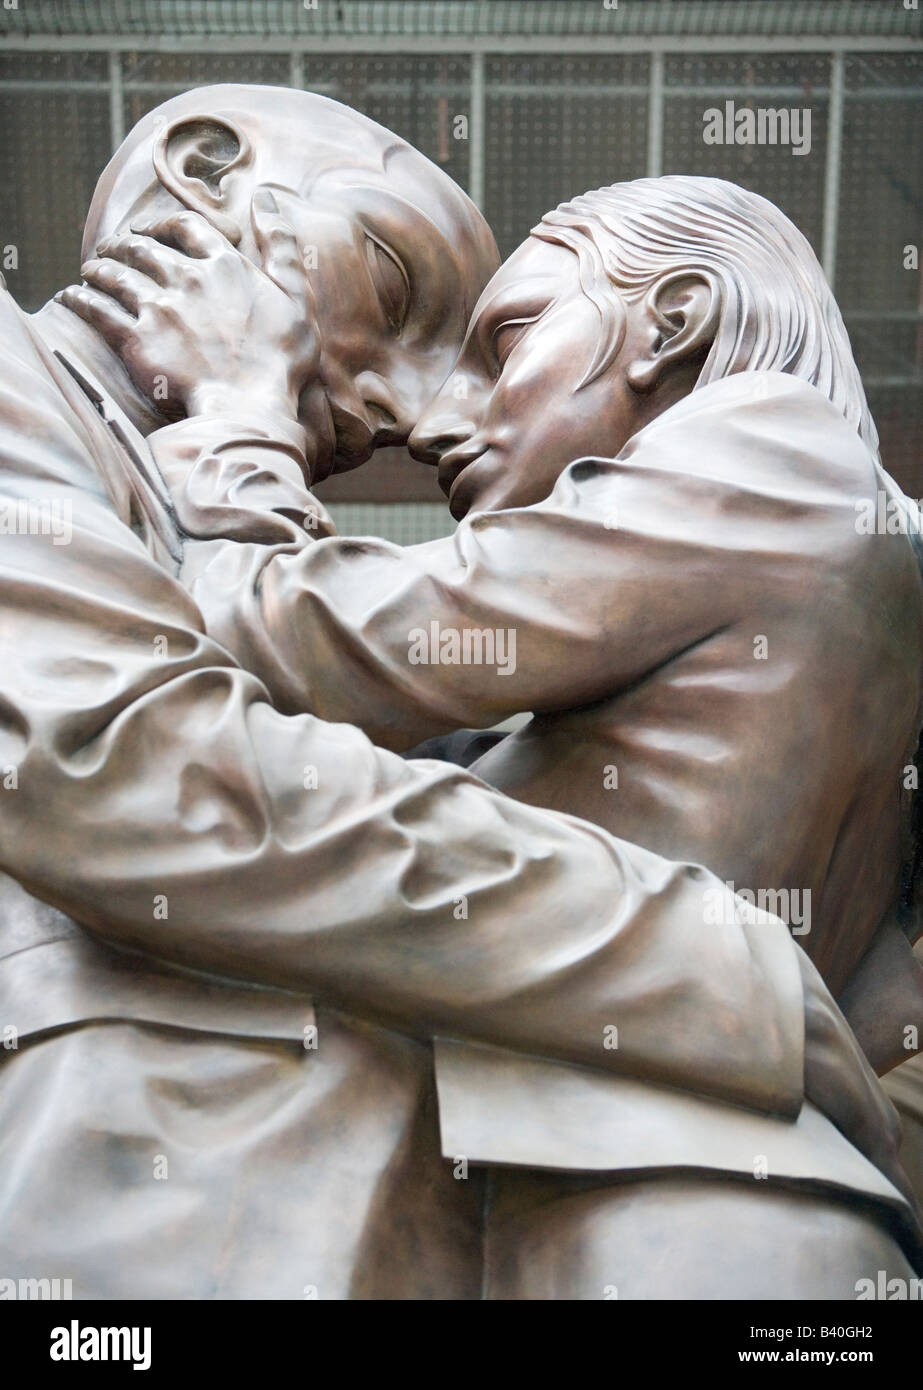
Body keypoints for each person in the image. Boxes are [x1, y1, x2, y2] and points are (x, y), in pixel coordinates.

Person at [51, 165, 923, 1294]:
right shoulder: (810, 616)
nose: (433, 423)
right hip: (711, 1186)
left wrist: (238, 416)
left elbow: (279, 639)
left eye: (503, 345)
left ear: (671, 321)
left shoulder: (770, 447)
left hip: (625, 1176)